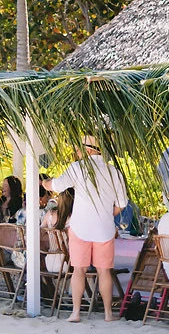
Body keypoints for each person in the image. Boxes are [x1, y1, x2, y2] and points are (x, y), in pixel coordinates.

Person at [46, 136, 130, 323]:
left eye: (79, 149)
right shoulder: (113, 171)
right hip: (104, 229)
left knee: (79, 270)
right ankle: (108, 314)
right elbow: (122, 203)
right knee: (104, 271)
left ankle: (76, 313)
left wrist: (45, 183)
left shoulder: (78, 167)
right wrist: (108, 215)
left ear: (88, 150)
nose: (76, 153)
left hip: (80, 227)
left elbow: (57, 185)